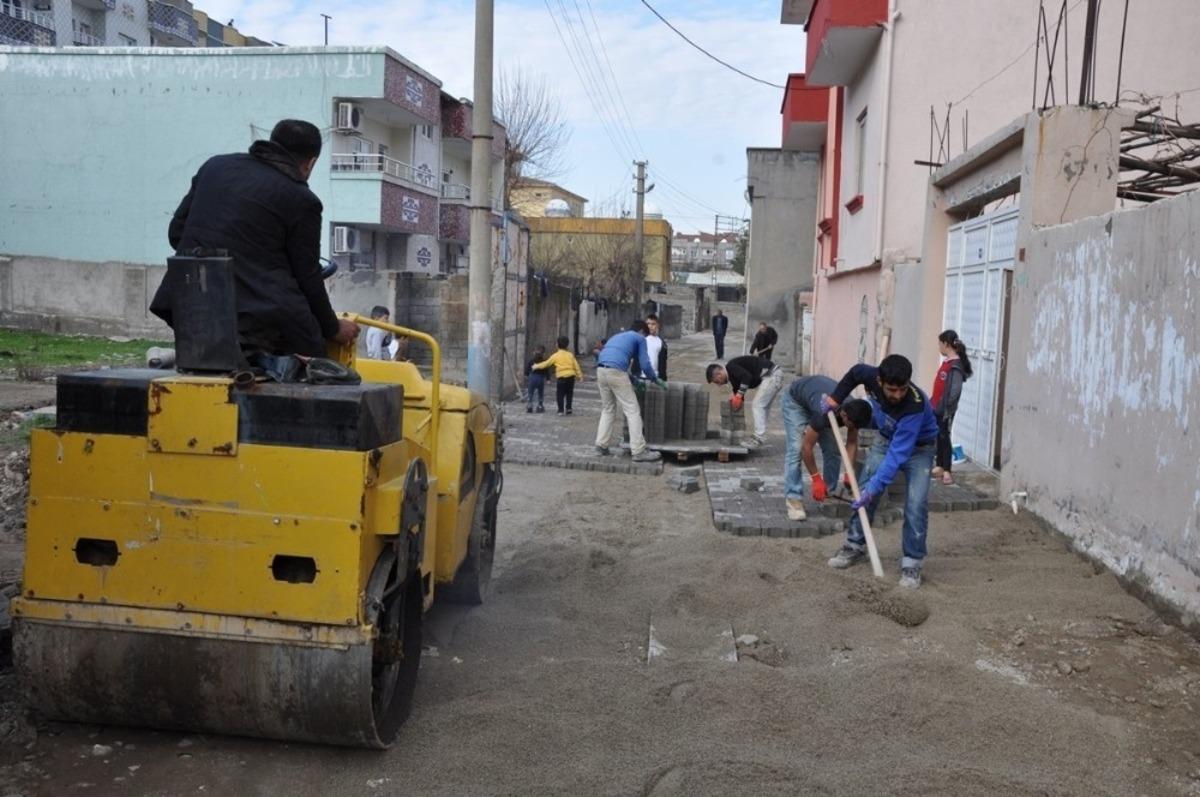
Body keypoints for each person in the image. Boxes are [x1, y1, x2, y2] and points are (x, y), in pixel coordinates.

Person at [151, 119, 358, 356]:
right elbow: (307, 277)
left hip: (191, 309)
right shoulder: (301, 199)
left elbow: (177, 233)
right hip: (260, 322)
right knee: (320, 364)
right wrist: (333, 328)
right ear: (311, 163)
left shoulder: (215, 167)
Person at [823, 354, 939, 589]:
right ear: (879, 381)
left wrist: (875, 487)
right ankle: (854, 546)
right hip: (886, 438)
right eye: (891, 389)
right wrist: (835, 400)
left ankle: (912, 563)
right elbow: (855, 372)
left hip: (919, 449)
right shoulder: (870, 375)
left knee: (916, 503)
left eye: (902, 389)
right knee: (865, 490)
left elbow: (897, 456)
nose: (897, 395)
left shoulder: (914, 407)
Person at [781, 375, 873, 521]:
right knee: (796, 449)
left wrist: (849, 472)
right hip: (796, 402)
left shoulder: (854, 410)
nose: (853, 429)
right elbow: (807, 447)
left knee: (833, 449)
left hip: (818, 400)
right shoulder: (823, 414)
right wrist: (816, 478)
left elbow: (851, 443)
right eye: (851, 426)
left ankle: (828, 492)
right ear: (844, 415)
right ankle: (794, 499)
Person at [594, 320, 663, 462]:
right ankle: (638, 451)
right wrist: (655, 379)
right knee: (632, 410)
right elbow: (645, 364)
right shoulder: (639, 338)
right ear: (642, 332)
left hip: (601, 370)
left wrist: (633, 380)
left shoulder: (617, 336)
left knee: (608, 409)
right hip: (616, 372)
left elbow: (616, 361)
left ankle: (601, 446)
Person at [705, 354, 784, 447]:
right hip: (772, 376)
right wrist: (737, 400)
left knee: (757, 405)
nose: (718, 384)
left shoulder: (731, 367)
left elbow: (746, 377)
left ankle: (759, 437)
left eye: (716, 381)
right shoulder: (733, 377)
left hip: (772, 375)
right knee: (763, 406)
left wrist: (739, 395)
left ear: (719, 374)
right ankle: (760, 435)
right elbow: (738, 389)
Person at [931, 329, 973, 485]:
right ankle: (940, 465)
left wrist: (946, 408)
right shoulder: (947, 362)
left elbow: (954, 391)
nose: (939, 347)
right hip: (937, 406)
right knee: (939, 436)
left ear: (946, 344)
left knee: (944, 436)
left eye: (940, 344)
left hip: (945, 410)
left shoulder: (955, 366)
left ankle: (947, 469)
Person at [534, 336, 584, 415]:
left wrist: (536, 366)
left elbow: (546, 364)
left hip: (561, 378)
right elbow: (576, 365)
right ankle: (569, 408)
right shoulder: (570, 355)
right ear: (567, 345)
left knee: (560, 394)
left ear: (557, 345)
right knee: (569, 393)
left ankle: (560, 410)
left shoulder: (556, 355)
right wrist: (580, 376)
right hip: (571, 377)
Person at [525, 345, 549, 414]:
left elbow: (527, 370)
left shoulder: (531, 361)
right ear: (543, 354)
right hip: (540, 378)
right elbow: (546, 371)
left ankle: (529, 405)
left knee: (530, 392)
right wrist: (548, 379)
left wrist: (526, 375)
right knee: (540, 392)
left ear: (533, 353)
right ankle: (540, 406)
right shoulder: (544, 362)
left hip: (532, 378)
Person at [645, 314, 668, 380]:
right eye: (648, 324)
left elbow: (663, 366)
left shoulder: (661, 343)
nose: (650, 326)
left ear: (658, 325)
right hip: (640, 377)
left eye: (653, 324)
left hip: (654, 378)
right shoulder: (641, 339)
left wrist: (663, 380)